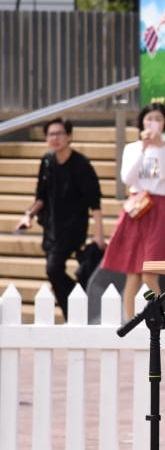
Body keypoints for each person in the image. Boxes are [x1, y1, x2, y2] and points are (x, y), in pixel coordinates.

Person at [16, 118, 105, 320]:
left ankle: (75, 307)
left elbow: (95, 203)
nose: (54, 138)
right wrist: (28, 216)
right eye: (50, 134)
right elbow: (41, 197)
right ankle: (73, 312)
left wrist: (99, 235)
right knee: (54, 274)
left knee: (53, 268)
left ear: (69, 137)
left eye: (59, 134)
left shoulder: (81, 165)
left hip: (73, 228)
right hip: (51, 227)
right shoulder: (47, 161)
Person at [101, 102, 165, 320]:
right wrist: (144, 149)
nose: (153, 123)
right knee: (132, 273)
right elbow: (127, 178)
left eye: (158, 119)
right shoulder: (132, 148)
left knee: (149, 272)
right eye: (149, 118)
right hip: (136, 208)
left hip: (158, 209)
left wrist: (159, 147)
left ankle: (158, 317)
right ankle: (129, 320)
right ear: (142, 122)